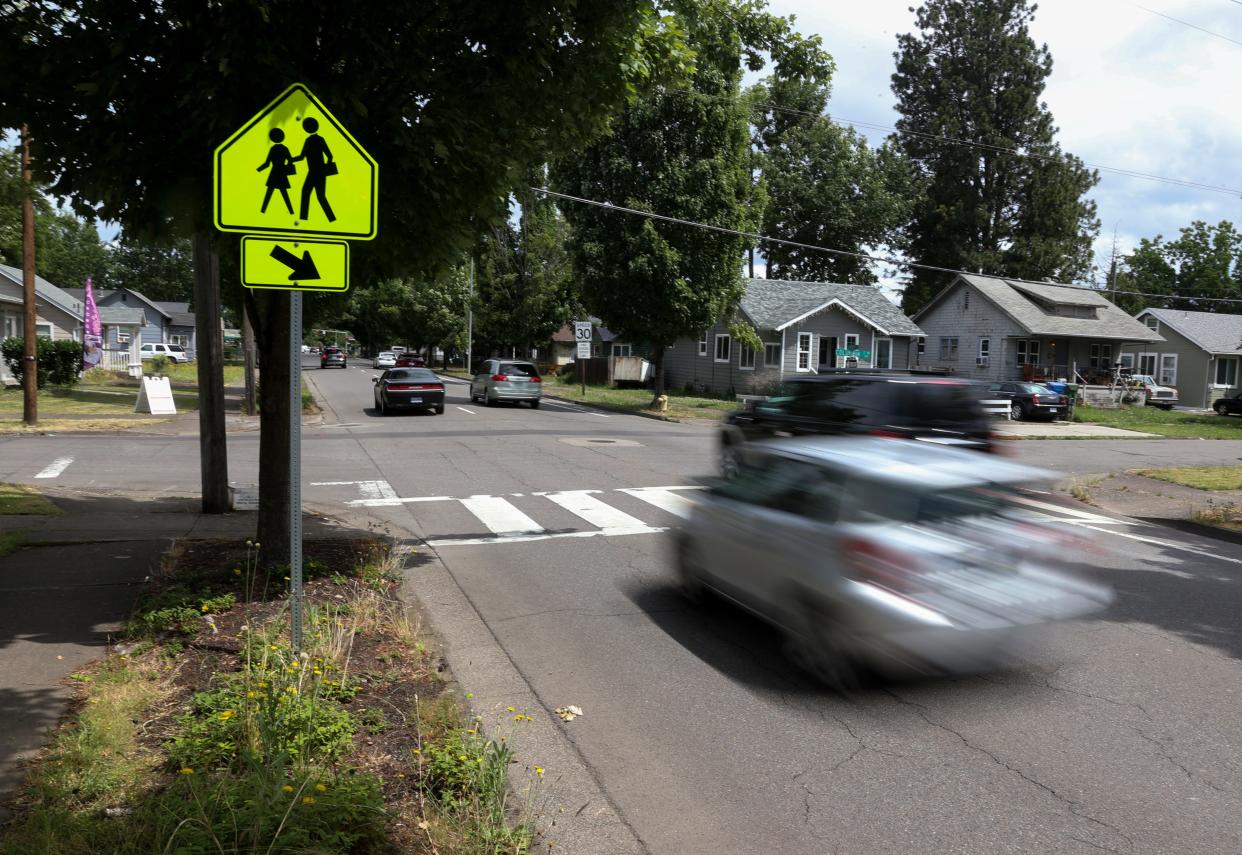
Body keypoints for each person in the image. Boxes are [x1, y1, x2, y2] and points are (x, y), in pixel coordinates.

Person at [292, 117, 336, 223]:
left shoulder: (316, 140)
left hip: (316, 172)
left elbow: (329, 155)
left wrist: (326, 169)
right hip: (315, 172)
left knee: (316, 195)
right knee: (311, 193)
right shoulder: (313, 140)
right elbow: (329, 156)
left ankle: (331, 219)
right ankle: (305, 218)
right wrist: (290, 160)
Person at [256, 128, 295, 215]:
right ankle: (291, 211)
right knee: (283, 193)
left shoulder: (273, 149)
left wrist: (259, 170)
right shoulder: (285, 148)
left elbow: (267, 163)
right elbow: (290, 160)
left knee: (270, 193)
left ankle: (263, 211)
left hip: (274, 173)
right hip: (281, 173)